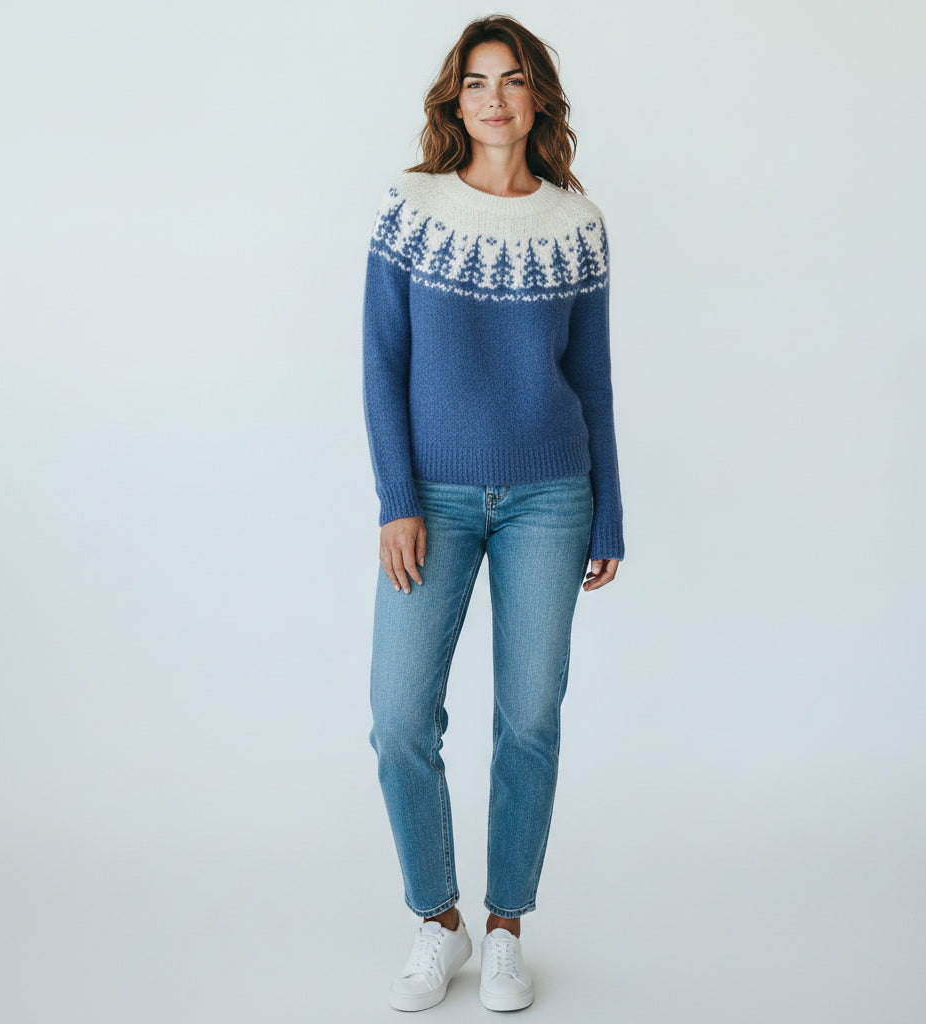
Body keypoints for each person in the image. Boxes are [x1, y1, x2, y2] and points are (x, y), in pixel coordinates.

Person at [361, 14, 624, 1012]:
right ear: (455, 99)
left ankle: (506, 926)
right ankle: (440, 921)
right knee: (398, 718)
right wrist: (396, 499)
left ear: (537, 96)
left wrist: (608, 516)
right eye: (476, 82)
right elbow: (382, 362)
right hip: (431, 498)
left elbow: (592, 381)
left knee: (528, 720)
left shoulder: (578, 222)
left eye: (512, 79)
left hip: (552, 497)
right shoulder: (411, 207)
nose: (494, 98)